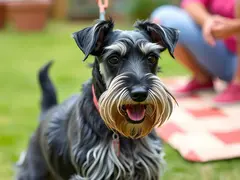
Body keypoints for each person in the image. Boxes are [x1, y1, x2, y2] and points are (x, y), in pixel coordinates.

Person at [150, 0, 240, 105]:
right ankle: (202, 78)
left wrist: (235, 27)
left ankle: (238, 84)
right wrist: (208, 21)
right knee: (162, 17)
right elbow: (191, 2)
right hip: (224, 52)